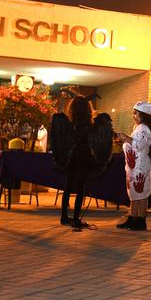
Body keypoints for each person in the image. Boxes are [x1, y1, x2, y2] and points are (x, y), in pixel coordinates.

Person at [117, 102, 151, 231]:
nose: (133, 116)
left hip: (140, 166)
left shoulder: (144, 129)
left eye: (136, 113)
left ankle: (141, 221)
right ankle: (132, 218)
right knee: (134, 194)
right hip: (133, 167)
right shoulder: (138, 127)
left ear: (143, 115)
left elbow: (140, 145)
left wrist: (126, 138)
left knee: (141, 194)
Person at [60, 97, 97, 231]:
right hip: (84, 156)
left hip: (71, 156)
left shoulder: (69, 123)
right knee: (80, 189)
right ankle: (76, 219)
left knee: (68, 187)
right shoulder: (89, 124)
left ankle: (64, 217)